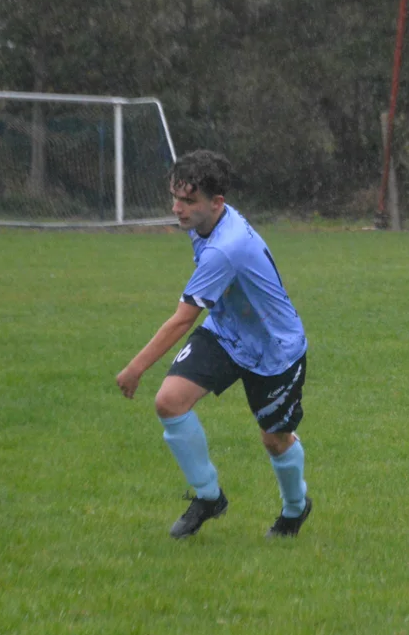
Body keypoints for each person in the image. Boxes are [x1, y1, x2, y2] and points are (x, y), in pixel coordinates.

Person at [116, 149, 312, 539]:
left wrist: (135, 367)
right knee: (169, 402)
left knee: (275, 439)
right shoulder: (207, 222)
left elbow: (183, 318)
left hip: (275, 348)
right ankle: (208, 496)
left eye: (188, 201)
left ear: (217, 203)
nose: (178, 209)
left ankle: (295, 507)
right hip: (227, 332)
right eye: (175, 197)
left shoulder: (226, 247)